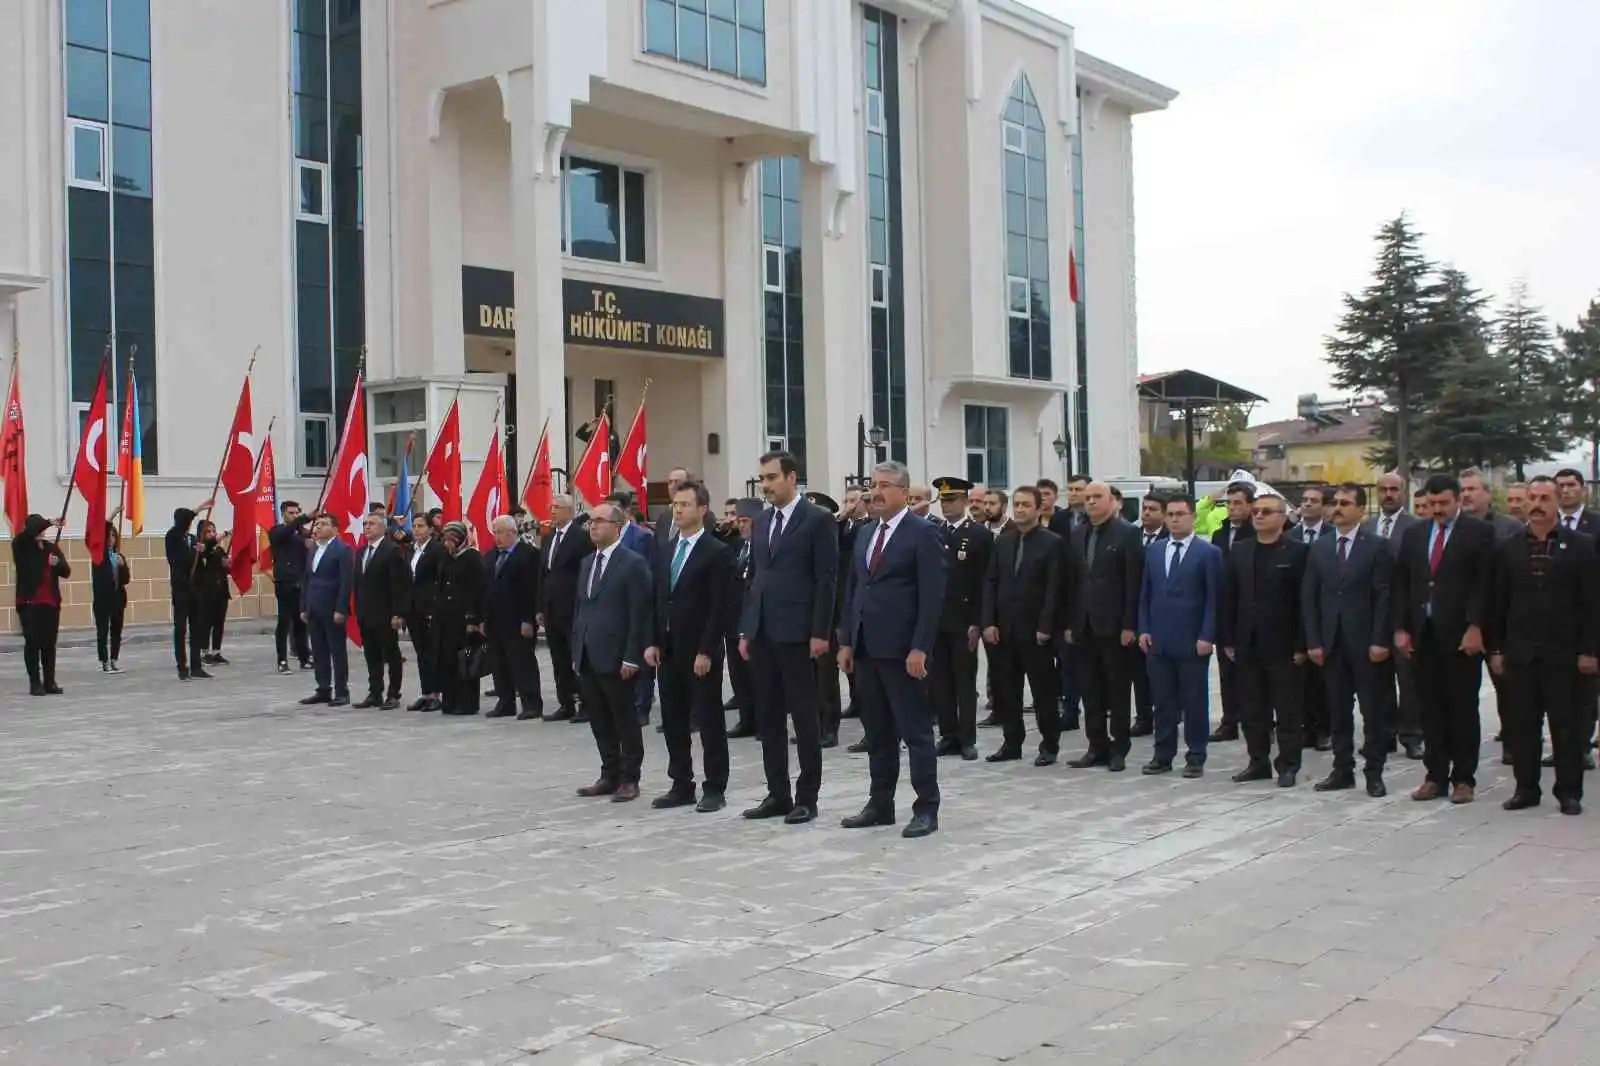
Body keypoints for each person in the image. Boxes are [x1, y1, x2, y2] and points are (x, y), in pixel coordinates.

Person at [837, 461, 946, 838]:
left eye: (884, 485)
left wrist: (920, 648)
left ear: (903, 491)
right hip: (868, 647)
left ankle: (926, 808)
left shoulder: (922, 533)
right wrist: (847, 640)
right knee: (878, 733)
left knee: (915, 732)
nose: (876, 492)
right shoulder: (866, 533)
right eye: (872, 485)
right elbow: (854, 590)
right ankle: (880, 803)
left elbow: (932, 597)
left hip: (904, 651)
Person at [739, 450, 839, 825]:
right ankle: (776, 794)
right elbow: (756, 579)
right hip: (763, 632)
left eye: (771, 478)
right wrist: (748, 629)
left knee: (803, 717)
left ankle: (806, 797)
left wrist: (819, 631)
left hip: (799, 633)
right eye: (762, 478)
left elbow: (826, 580)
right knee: (768, 717)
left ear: (792, 478)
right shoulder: (762, 523)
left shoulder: (818, 520)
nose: (764, 485)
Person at [1489, 476, 1596, 815]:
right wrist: (1497, 649)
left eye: (1544, 497)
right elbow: (1498, 602)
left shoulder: (1580, 545)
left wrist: (1590, 650)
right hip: (1521, 653)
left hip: (1565, 654)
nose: (1536, 504)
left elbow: (1592, 602)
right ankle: (1526, 789)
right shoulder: (1508, 547)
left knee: (1566, 726)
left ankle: (1569, 792)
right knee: (1522, 727)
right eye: (1531, 497)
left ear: (1557, 500)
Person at [1393, 473, 1496, 804]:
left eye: (1443, 503)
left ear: (1457, 500)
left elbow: (1484, 585)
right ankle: (1435, 775)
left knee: (1462, 708)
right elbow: (1402, 584)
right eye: (1432, 503)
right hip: (1423, 635)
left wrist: (1476, 626)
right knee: (1430, 708)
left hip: (1460, 637)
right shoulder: (1414, 534)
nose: (1437, 509)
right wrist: (1401, 628)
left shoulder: (1479, 533)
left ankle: (1463, 778)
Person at [645, 481, 733, 812]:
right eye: (674, 504)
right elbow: (657, 599)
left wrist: (707, 650)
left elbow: (718, 606)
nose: (677, 510)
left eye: (684, 504)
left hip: (699, 651)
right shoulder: (665, 549)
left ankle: (715, 787)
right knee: (673, 718)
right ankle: (681, 782)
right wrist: (652, 640)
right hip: (668, 648)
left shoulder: (716, 551)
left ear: (702, 510)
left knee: (708, 719)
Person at [1303, 483, 1393, 797]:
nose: (1337, 507)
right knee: (1338, 711)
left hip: (1367, 643)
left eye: (1345, 502)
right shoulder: (1321, 547)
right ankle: (1342, 769)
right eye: (1335, 502)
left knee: (1373, 711)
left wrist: (1381, 639)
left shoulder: (1377, 546)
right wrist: (1313, 640)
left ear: (1360, 509)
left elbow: (1384, 596)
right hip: (1331, 643)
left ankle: (1374, 772)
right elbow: (1310, 597)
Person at [1220, 492, 1308, 787]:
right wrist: (1228, 638)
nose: (1258, 516)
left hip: (1283, 645)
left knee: (1287, 710)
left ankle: (1288, 764)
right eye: (1256, 511)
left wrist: (1301, 644)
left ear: (1282, 518)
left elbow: (1304, 602)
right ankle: (1257, 762)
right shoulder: (1241, 551)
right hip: (1247, 642)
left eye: (1266, 511)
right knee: (1252, 709)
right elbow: (1229, 597)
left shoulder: (1297, 552)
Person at [572, 503, 653, 803]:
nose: (593, 527)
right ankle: (609, 773)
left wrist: (632, 656)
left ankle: (630, 777)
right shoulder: (586, 563)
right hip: (588, 653)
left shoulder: (632, 563)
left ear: (618, 526)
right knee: (599, 718)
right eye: (590, 522)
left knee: (624, 719)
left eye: (600, 521)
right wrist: (576, 649)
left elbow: (639, 613)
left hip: (618, 656)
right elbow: (581, 608)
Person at [1138, 494, 1223, 777]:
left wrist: (1207, 635)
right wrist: (1144, 628)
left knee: (1194, 700)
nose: (1175, 519)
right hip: (1158, 639)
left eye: (1180, 514)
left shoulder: (1208, 553)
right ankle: (1162, 755)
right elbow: (1145, 594)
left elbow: (1214, 598)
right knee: (1162, 701)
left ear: (1193, 517)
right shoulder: (1154, 550)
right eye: (1171, 514)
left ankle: (1196, 756)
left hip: (1191, 640)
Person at [1064, 481, 1144, 772]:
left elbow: (1132, 582)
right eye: (1088, 498)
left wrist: (1129, 625)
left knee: (1117, 689)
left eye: (1098, 497)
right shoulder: (1077, 534)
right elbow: (1072, 583)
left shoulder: (1128, 534)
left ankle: (1119, 748)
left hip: (1114, 627)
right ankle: (1096, 745)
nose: (1092, 502)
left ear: (1113, 502)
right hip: (1084, 626)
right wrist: (1071, 623)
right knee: (1090, 690)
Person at [981, 485, 1063, 765]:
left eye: (1026, 504)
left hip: (1035, 632)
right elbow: (991, 582)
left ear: (1039, 509)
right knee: (1007, 691)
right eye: (1017, 504)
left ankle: (1049, 744)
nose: (1020, 509)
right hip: (1004, 630)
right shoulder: (1004, 541)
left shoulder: (1052, 543)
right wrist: (988, 622)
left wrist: (1045, 626)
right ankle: (1011, 742)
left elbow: (1054, 589)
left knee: (1043, 692)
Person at [1363, 472, 1425, 761]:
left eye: (1394, 489)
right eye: (1383, 489)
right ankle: (1382, 734)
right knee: (1377, 680)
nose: (1388, 494)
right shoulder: (1367, 526)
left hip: (1404, 614)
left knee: (1409, 679)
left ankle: (1411, 735)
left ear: (1404, 492)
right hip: (1372, 615)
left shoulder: (1417, 528)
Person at [928, 475, 991, 762]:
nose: (947, 505)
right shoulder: (933, 531)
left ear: (965, 501)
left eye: (952, 499)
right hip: (937, 618)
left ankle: (967, 738)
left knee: (964, 681)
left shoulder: (977, 534)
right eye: (943, 500)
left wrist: (978, 621)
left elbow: (984, 582)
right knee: (940, 680)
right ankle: (948, 734)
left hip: (964, 619)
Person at [1208, 482, 1257, 742]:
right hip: (1225, 609)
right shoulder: (1220, 534)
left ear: (1250, 505)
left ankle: (1258, 721)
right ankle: (1229, 721)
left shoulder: (1256, 532)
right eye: (1229, 503)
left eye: (1238, 503)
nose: (1233, 508)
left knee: (1252, 673)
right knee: (1227, 671)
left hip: (1250, 611)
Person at [482, 514, 543, 720]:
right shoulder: (490, 556)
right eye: (495, 533)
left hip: (518, 620)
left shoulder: (528, 555)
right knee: (499, 664)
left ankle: (532, 703)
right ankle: (505, 702)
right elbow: (485, 590)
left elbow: (532, 590)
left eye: (500, 532)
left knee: (522, 663)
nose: (497, 537)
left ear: (512, 533)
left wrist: (529, 619)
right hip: (495, 620)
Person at [538, 495, 593, 722]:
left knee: (575, 657)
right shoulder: (549, 537)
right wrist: (540, 606)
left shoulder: (581, 537)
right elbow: (543, 574)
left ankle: (586, 704)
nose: (552, 511)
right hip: (551, 607)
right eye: (551, 507)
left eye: (557, 508)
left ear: (569, 511)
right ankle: (565, 702)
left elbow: (585, 571)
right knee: (558, 657)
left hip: (572, 606)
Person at [352, 511, 409, 709]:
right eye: (366, 524)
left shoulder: (391, 551)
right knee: (371, 654)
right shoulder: (360, 552)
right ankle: (375, 692)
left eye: (372, 524)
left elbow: (398, 585)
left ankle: (393, 693)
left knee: (391, 654)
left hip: (385, 613)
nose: (367, 527)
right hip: (366, 613)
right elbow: (359, 584)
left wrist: (398, 613)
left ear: (383, 528)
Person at [804, 490, 845, 750]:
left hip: (827, 618)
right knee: (808, 677)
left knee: (826, 675)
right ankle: (814, 724)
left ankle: (830, 726)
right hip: (805, 616)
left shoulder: (834, 543)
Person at [299, 513, 354, 707]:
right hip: (314, 607)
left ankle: (341, 691)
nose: (318, 527)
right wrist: (304, 606)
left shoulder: (343, 550)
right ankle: (323, 688)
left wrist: (341, 608)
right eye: (318, 524)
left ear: (335, 529)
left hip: (332, 608)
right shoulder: (314, 549)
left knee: (337, 650)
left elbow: (346, 582)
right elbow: (307, 579)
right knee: (319, 650)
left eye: (324, 524)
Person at [13, 514, 70, 695]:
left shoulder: (51, 548)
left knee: (49, 644)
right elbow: (28, 533)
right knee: (32, 643)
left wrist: (57, 564)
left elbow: (66, 572)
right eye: (39, 528)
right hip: (30, 603)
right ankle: (35, 682)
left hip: (51, 603)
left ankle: (49, 681)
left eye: (43, 528)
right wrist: (50, 522)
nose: (42, 531)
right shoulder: (21, 546)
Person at [434, 521, 485, 715]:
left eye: (452, 540)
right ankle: (450, 700)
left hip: (464, 619)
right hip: (445, 618)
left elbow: (478, 590)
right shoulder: (445, 557)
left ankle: (467, 702)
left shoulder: (472, 558)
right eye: (445, 539)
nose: (448, 544)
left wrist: (473, 619)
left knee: (465, 660)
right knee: (447, 659)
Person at [725, 498, 763, 739]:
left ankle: (762, 721)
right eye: (739, 521)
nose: (741, 526)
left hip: (755, 619)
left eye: (746, 521)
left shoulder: (764, 548)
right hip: (734, 617)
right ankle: (746, 718)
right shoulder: (738, 546)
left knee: (758, 674)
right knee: (738, 673)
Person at [1132, 494, 1169, 737]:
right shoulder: (1132, 537)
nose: (1146, 513)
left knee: (1163, 672)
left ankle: (1168, 714)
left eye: (1152, 509)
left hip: (1163, 615)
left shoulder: (1171, 540)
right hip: (1136, 612)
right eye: (1144, 508)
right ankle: (1144, 716)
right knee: (1138, 672)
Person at [164, 502, 214, 681]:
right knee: (181, 629)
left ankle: (196, 666)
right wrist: (199, 509)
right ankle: (182, 666)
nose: (189, 524)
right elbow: (181, 560)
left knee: (197, 629)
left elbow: (201, 563)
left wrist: (202, 551)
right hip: (181, 589)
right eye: (188, 520)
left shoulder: (193, 539)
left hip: (195, 589)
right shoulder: (172, 536)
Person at [406, 514, 446, 711]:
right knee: (421, 651)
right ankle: (426, 691)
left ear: (431, 529)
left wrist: (434, 606)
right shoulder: (410, 550)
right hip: (413, 608)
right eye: (414, 526)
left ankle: (436, 693)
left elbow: (439, 579)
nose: (416, 530)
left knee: (432, 652)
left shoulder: (437, 550)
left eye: (421, 526)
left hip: (430, 607)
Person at [268, 500, 314, 673]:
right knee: (284, 622)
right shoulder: (278, 531)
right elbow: (288, 531)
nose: (294, 515)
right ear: (284, 514)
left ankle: (304, 658)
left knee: (301, 622)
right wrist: (303, 518)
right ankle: (282, 660)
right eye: (291, 513)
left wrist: (310, 546)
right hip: (285, 582)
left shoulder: (303, 533)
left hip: (301, 582)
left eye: (297, 512)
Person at [92, 518, 131, 673]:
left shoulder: (118, 556)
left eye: (113, 536)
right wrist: (113, 515)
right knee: (102, 631)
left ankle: (114, 659)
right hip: (102, 598)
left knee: (117, 630)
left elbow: (126, 579)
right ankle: (104, 660)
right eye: (108, 536)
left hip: (117, 598)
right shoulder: (98, 555)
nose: (110, 539)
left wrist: (122, 567)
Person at [193, 519, 232, 666]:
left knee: (219, 622)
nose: (212, 534)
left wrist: (227, 564)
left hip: (221, 589)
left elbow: (225, 567)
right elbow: (206, 553)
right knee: (206, 622)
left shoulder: (219, 549)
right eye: (207, 532)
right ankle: (204, 651)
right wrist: (218, 538)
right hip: (206, 591)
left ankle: (216, 651)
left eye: (213, 531)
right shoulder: (200, 548)